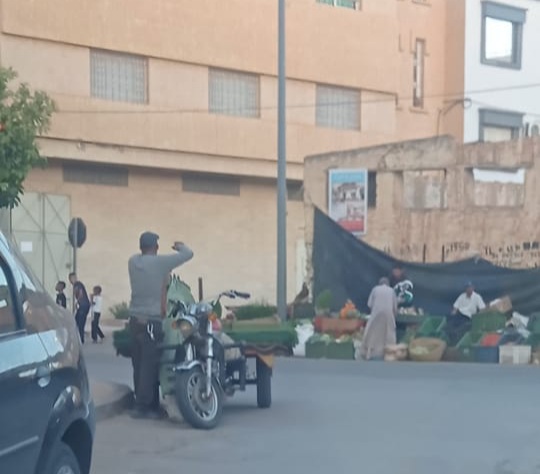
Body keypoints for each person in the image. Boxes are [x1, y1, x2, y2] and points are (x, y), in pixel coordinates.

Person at [128, 231, 193, 420]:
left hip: (135, 320)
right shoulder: (160, 263)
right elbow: (188, 254)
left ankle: (144, 403)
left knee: (138, 363)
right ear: (155, 247)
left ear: (140, 247)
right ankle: (144, 407)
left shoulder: (133, 262)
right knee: (149, 365)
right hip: (151, 321)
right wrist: (179, 246)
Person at [361, 277, 398, 361]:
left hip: (376, 314)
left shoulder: (375, 289)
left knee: (371, 332)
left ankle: (368, 352)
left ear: (379, 283)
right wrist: (393, 318)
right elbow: (395, 308)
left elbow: (370, 304)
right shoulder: (392, 291)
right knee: (389, 333)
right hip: (388, 314)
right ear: (388, 284)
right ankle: (390, 353)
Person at [69, 272, 91, 344]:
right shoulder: (77, 284)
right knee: (77, 321)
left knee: (80, 323)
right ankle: (80, 338)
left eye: (72, 278)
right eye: (71, 278)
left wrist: (77, 302)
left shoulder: (77, 284)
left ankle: (81, 339)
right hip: (84, 305)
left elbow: (81, 293)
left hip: (83, 305)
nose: (71, 280)